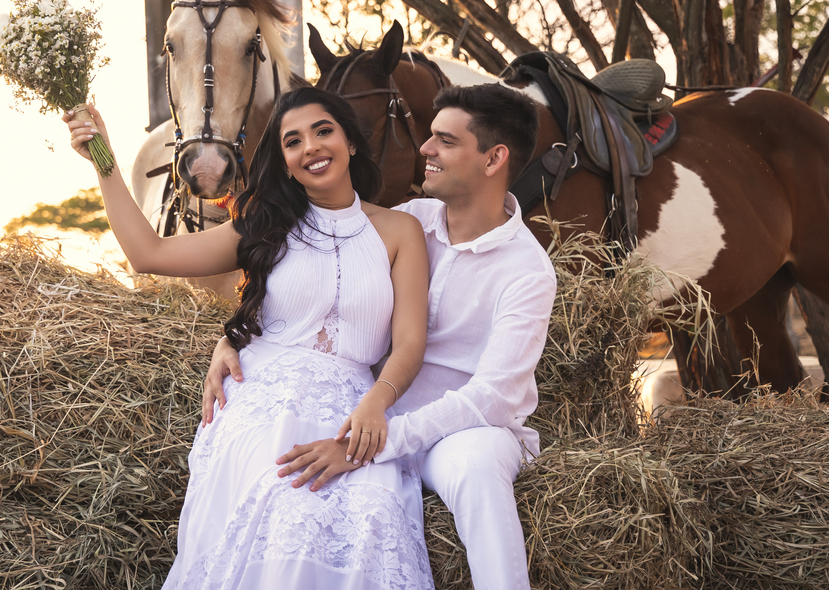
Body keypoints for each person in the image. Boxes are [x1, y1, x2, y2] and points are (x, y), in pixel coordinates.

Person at [64, 86, 435, 589]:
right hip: (263, 401)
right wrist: (102, 157)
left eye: (323, 131)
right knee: (288, 513)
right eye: (293, 141)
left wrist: (377, 403)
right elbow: (148, 253)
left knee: (374, 517)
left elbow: (410, 340)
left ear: (350, 142)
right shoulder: (265, 226)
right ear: (284, 162)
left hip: (356, 408)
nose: (311, 148)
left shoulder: (401, 230)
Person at [204, 83, 558, 590]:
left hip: (455, 432)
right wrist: (237, 339)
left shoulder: (528, 271)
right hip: (366, 413)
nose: (425, 150)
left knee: (479, 468)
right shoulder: (407, 221)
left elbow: (494, 397)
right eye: (430, 138)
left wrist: (372, 445)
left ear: (494, 158)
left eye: (445, 141)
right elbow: (315, 293)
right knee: (293, 495)